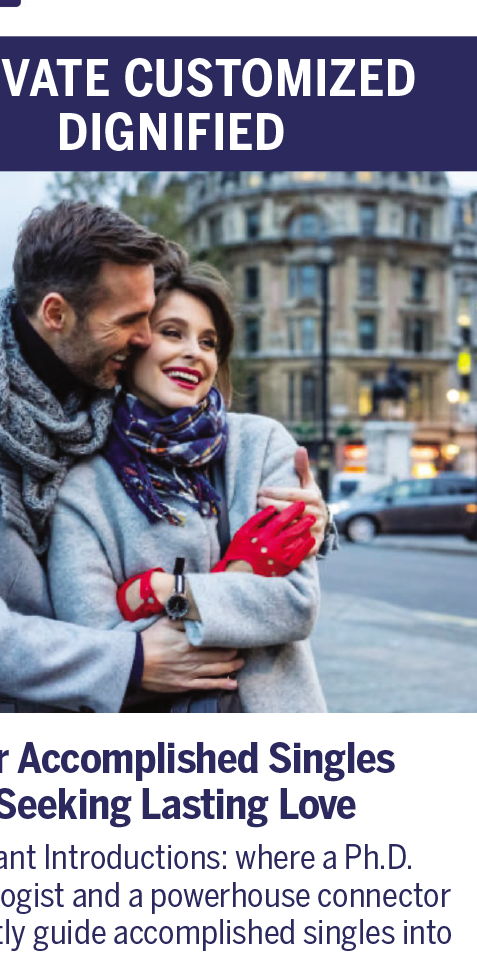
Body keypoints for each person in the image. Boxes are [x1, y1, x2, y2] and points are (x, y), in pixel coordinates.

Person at [0, 200, 268, 712]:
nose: (144, 338)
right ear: (56, 313)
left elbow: (199, 456)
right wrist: (132, 658)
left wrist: (304, 517)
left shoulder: (108, 393)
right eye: (129, 320)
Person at [48, 263, 327, 711]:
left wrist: (164, 591)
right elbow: (101, 646)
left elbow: (296, 605)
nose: (194, 353)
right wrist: (241, 578)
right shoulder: (83, 487)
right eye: (172, 332)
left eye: (208, 341)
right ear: (132, 344)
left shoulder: (264, 445)